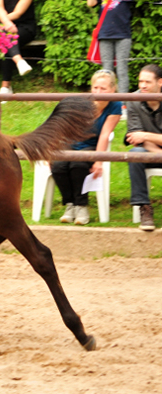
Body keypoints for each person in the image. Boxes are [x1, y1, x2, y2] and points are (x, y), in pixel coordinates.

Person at [51, 69, 121, 225]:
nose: (98, 92)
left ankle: (81, 206)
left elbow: (105, 134)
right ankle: (70, 204)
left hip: (91, 145)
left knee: (78, 164)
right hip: (71, 142)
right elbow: (63, 128)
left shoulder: (116, 105)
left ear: (112, 90)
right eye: (95, 88)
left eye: (103, 89)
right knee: (58, 165)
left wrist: (99, 160)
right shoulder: (82, 103)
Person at [125, 64, 162, 231]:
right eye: (140, 81)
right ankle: (144, 208)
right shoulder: (133, 100)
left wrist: (146, 135)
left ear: (160, 82)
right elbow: (135, 137)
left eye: (147, 82)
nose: (143, 86)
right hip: (150, 153)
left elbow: (142, 136)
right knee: (135, 153)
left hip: (155, 150)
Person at [87, 0, 132, 120]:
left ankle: (123, 106)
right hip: (105, 34)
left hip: (123, 35)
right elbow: (90, 3)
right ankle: (107, 105)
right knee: (106, 73)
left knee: (122, 70)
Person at [0, 0, 35, 99]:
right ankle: (19, 61)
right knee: (4, 35)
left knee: (4, 37)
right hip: (3, 25)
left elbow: (18, 12)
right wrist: (6, 23)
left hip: (24, 27)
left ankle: (6, 86)